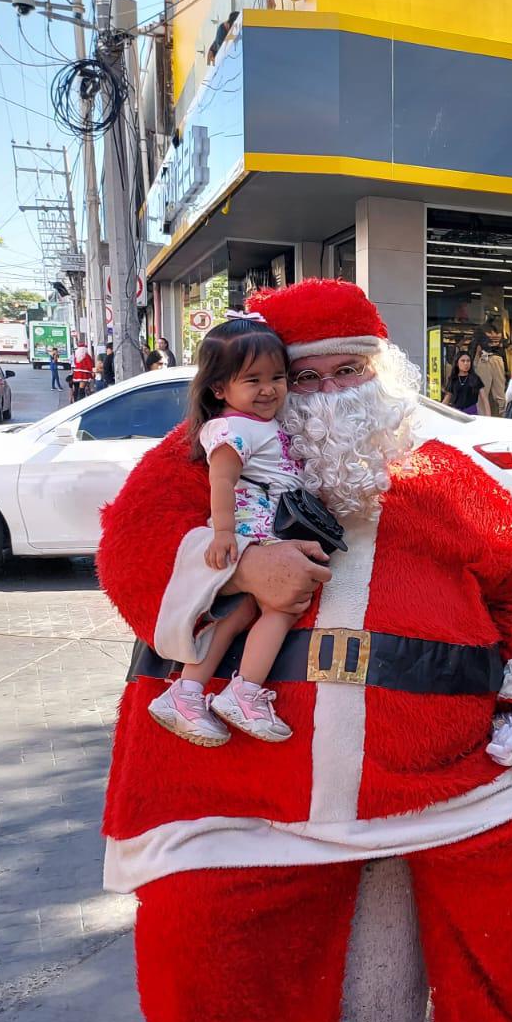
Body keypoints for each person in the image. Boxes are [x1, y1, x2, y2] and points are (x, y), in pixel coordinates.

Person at [95, 279, 512, 1022]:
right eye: (307, 375)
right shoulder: (198, 465)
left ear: (385, 376)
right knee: (213, 918)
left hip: (439, 768)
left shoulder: (444, 474)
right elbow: (129, 551)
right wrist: (236, 567)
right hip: (245, 776)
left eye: (349, 370)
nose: (330, 392)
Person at [145, 317, 309, 747]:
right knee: (282, 607)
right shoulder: (233, 429)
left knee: (238, 613)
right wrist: (223, 534)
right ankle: (245, 691)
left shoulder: (262, 423)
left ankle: (185, 692)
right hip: (255, 531)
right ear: (220, 388)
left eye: (277, 377)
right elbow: (221, 482)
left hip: (259, 529)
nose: (269, 389)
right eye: (252, 379)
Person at [473, 331, 509, 419]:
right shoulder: (483, 332)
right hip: (487, 359)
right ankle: (483, 417)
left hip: (492, 359)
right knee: (484, 393)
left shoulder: (483, 332)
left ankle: (503, 415)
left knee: (497, 392)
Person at [441, 350, 486, 415]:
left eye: (468, 361)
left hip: (472, 414)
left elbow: (484, 399)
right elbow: (447, 399)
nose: (466, 363)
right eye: (463, 361)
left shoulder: (475, 379)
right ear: (457, 363)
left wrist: (488, 416)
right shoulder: (453, 379)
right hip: (456, 414)